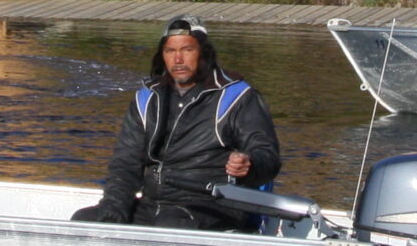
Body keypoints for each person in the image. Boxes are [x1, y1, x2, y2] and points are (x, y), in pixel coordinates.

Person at [72, 17, 281, 231]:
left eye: (187, 50)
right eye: (170, 51)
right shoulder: (147, 98)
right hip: (152, 206)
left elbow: (268, 155)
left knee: (170, 224)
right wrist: (113, 210)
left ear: (203, 53)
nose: (178, 59)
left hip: (213, 208)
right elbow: (125, 165)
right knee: (84, 220)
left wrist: (249, 164)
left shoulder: (238, 96)